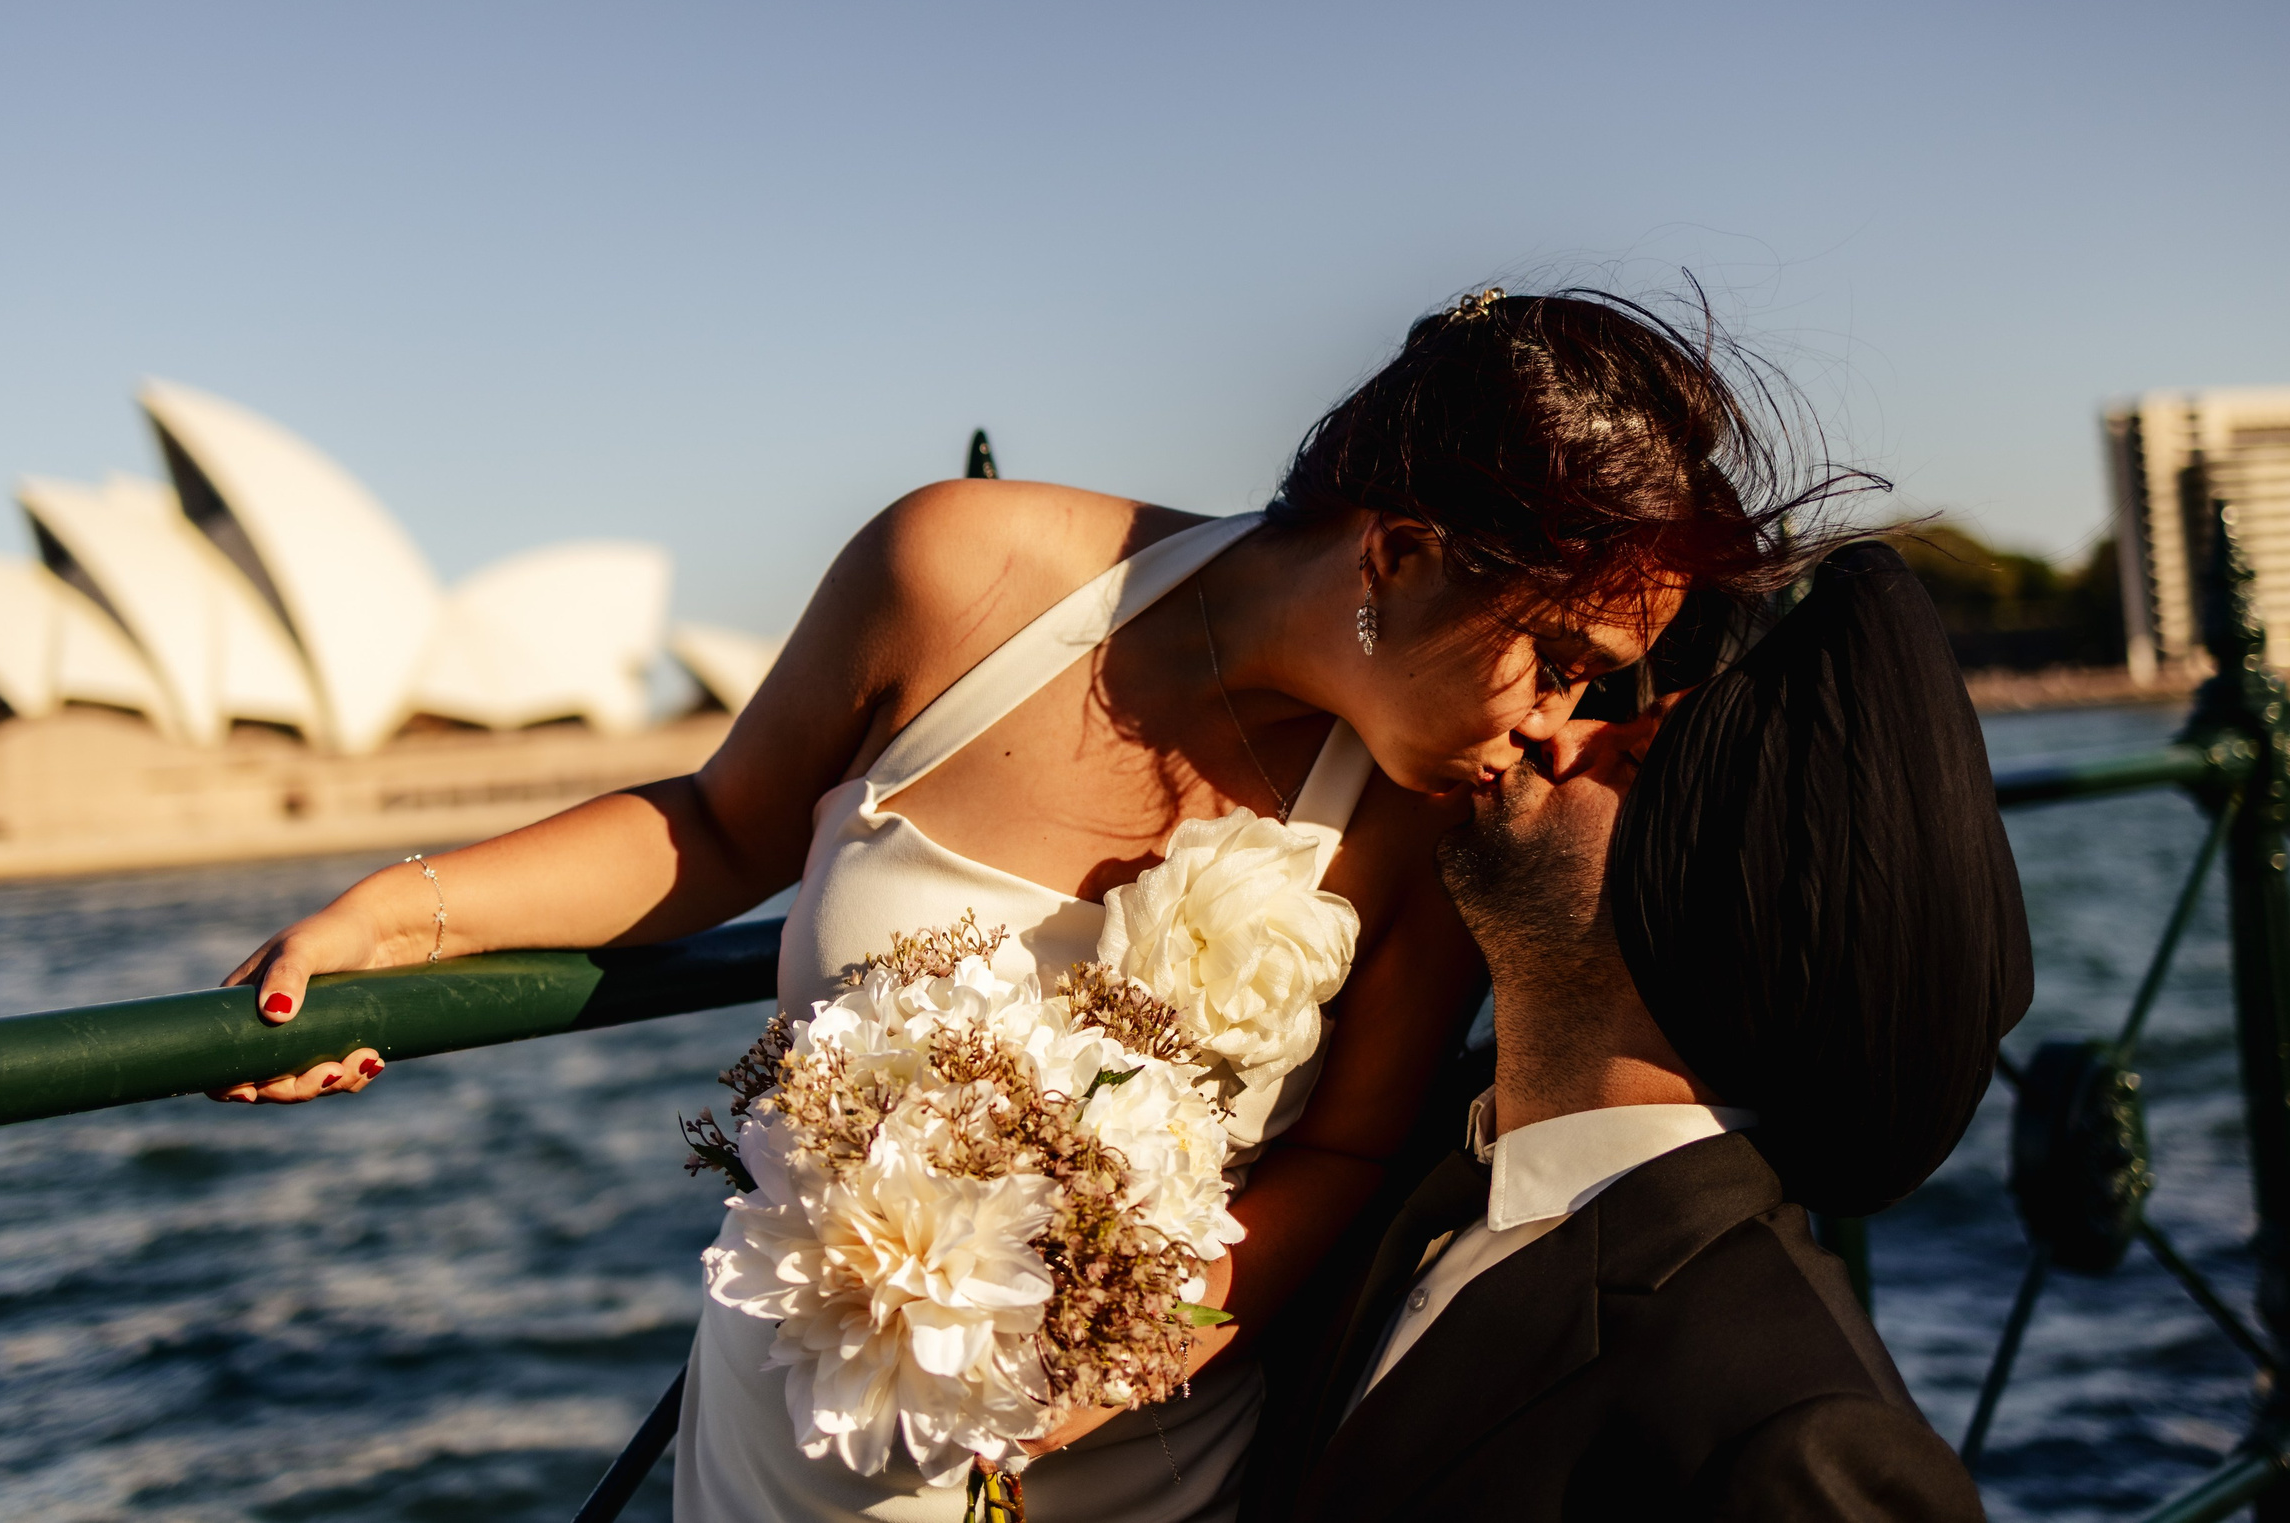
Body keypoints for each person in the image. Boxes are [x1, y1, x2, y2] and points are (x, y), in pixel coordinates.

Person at [212, 289, 1841, 1523]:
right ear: (1404, 550)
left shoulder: (1424, 814)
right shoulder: (960, 575)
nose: (1559, 725)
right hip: (786, 1450)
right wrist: (394, 922)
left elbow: (1351, 1142)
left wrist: (1125, 1360)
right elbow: (717, 826)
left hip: (1133, 1473)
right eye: (1557, 657)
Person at [1272, 541, 2028, 1522]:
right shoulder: (1405, 1178)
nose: (1562, 734)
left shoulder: (1796, 1438)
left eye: (1629, 757)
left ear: (1718, 902)